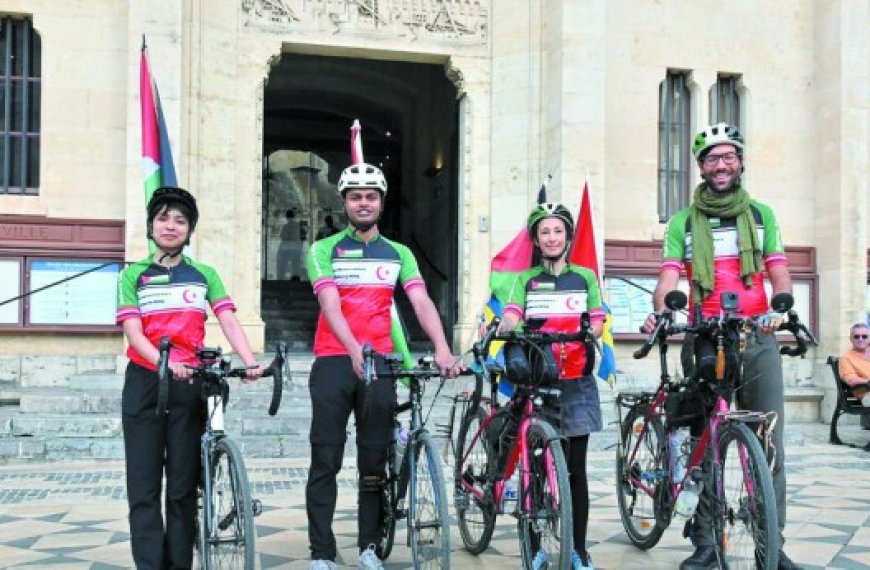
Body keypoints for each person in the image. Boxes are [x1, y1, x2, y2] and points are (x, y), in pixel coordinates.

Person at [642, 123, 801, 570]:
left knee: (770, 442)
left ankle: (773, 542)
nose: (721, 164)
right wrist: (664, 309)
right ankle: (707, 541)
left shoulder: (761, 215)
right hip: (706, 335)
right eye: (712, 158)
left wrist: (781, 305)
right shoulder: (682, 222)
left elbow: (778, 268)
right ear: (700, 167)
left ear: (741, 162)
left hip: (757, 335)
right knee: (709, 438)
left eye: (728, 156)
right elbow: (670, 277)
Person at [304, 162, 462, 570]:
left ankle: (369, 546)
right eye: (355, 196)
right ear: (344, 203)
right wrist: (355, 350)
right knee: (326, 458)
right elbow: (330, 305)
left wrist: (443, 348)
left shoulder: (399, 253)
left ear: (381, 202)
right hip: (335, 362)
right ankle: (321, 552)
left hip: (382, 366)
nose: (363, 202)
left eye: (370, 196)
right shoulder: (324, 250)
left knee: (374, 459)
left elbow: (421, 301)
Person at [116, 186, 267, 569]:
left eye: (180, 220)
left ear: (190, 229)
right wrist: (163, 364)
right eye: (163, 218)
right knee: (144, 489)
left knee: (183, 489)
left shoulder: (204, 275)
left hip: (189, 387)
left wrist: (249, 360)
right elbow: (134, 334)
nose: (171, 226)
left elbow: (228, 319)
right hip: (145, 384)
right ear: (151, 226)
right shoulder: (132, 275)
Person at [496, 203, 605, 570]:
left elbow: (598, 318)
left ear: (568, 236)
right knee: (535, 469)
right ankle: (535, 546)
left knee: (575, 471)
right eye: (545, 232)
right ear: (536, 240)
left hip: (577, 381)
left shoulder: (585, 277)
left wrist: (590, 330)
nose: (552, 237)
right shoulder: (524, 279)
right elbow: (513, 312)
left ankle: (578, 549)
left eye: (558, 231)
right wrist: (505, 326)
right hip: (537, 381)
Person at [839, 322, 870, 406]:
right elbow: (852, 380)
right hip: (866, 394)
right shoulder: (846, 358)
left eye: (864, 336)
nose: (860, 339)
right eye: (856, 336)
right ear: (851, 339)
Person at [277, 208, 303, 280]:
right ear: (294, 216)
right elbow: (302, 238)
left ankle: (281, 279)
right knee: (295, 266)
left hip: (285, 249)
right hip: (296, 249)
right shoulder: (298, 226)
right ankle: (296, 279)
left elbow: (282, 237)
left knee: (283, 266)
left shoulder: (285, 227)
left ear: (286, 217)